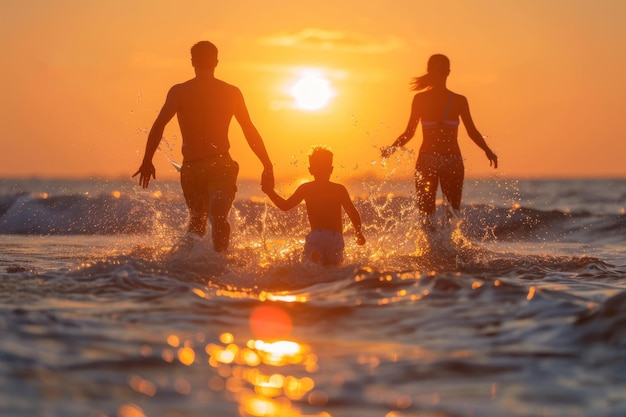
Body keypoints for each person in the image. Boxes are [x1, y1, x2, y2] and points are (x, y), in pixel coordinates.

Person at [133, 41, 274, 252]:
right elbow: (249, 130)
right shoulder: (222, 92)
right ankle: (197, 266)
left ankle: (218, 263)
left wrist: (147, 160)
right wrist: (267, 165)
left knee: (212, 218)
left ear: (192, 62)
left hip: (214, 167)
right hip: (198, 168)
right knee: (200, 223)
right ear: (216, 62)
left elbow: (158, 125)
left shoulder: (185, 91)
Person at [381, 54, 497, 229]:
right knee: (452, 212)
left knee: (426, 213)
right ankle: (448, 250)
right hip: (452, 161)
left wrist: (392, 149)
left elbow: (409, 133)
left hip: (428, 160)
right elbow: (472, 132)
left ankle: (431, 251)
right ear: (449, 72)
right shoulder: (458, 100)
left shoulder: (421, 99)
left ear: (428, 71)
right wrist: (487, 150)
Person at [262, 146, 365, 266]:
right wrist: (358, 232)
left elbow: (285, 206)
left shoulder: (306, 188)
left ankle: (315, 259)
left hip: (316, 236)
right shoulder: (339, 189)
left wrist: (270, 192)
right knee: (334, 270)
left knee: (312, 269)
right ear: (331, 169)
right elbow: (352, 212)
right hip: (335, 237)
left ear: (310, 170)